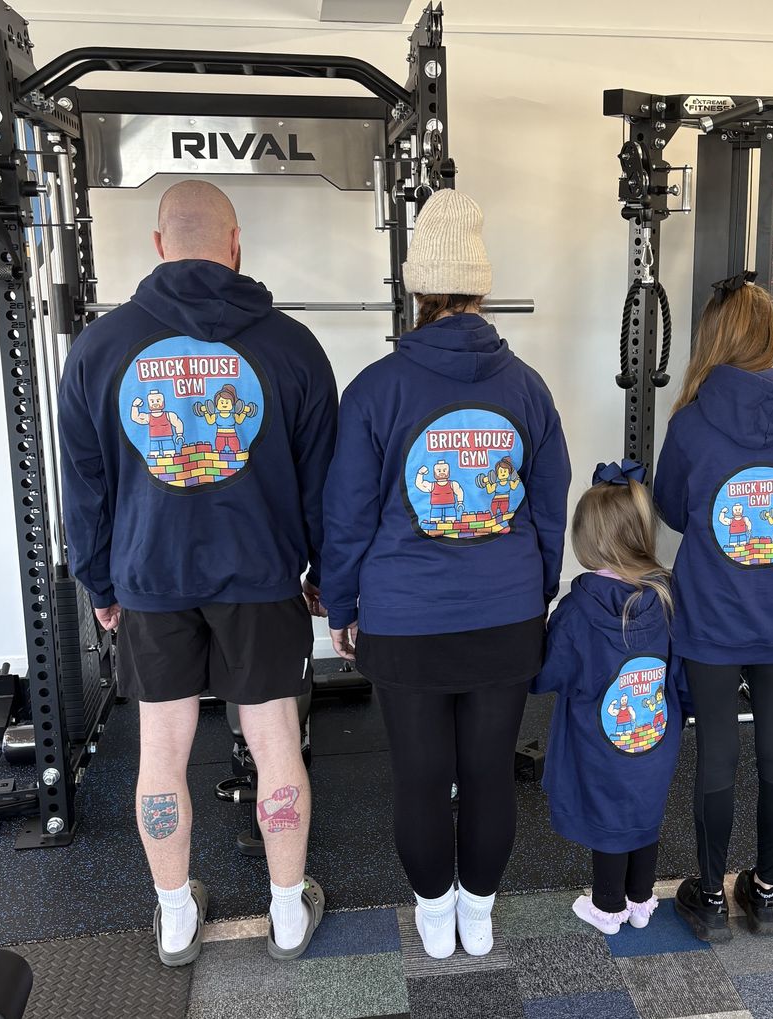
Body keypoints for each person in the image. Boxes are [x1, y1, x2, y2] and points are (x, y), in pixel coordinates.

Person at [57, 180, 336, 965]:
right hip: (260, 577)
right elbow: (325, 484)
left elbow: (84, 485)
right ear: (236, 242)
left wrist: (100, 581)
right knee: (275, 736)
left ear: (157, 245)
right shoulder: (292, 347)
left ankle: (176, 917)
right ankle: (288, 913)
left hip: (151, 574)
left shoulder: (100, 350)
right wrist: (326, 576)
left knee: (161, 747)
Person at [320, 189, 570, 959]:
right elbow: (552, 504)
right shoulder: (528, 388)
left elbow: (348, 514)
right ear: (482, 289)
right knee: (489, 771)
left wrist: (340, 603)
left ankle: (435, 914)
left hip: (404, 619)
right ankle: (479, 909)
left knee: (422, 774)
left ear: (418, 289)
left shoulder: (373, 390)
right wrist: (538, 590)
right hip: (504, 616)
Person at [654, 272, 773, 943]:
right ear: (770, 333)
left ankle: (709, 897)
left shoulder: (692, 421)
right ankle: (765, 895)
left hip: (711, 613)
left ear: (713, 335)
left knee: (716, 754)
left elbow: (671, 509)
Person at [531, 460, 683, 935]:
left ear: (588, 540)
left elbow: (546, 675)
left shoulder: (577, 610)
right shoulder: (668, 596)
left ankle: (607, 906)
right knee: (645, 809)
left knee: (610, 818)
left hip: (597, 743)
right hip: (657, 734)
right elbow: (682, 675)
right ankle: (641, 900)